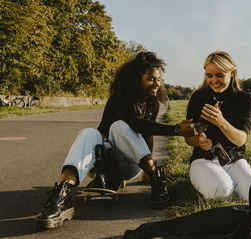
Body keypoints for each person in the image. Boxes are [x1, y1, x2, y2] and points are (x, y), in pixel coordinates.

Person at [35, 52, 200, 229]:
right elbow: (135, 123)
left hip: (130, 163)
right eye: (151, 79)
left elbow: (146, 131)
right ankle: (61, 196)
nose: (157, 84)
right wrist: (175, 129)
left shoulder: (153, 103)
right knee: (88, 133)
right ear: (137, 78)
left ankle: (156, 179)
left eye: (159, 79)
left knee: (119, 127)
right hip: (101, 162)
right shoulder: (118, 99)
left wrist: (147, 169)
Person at [184, 51, 251, 201]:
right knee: (222, 191)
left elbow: (240, 140)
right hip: (203, 159)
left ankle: (242, 177)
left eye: (219, 75)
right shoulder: (198, 97)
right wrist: (198, 140)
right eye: (209, 75)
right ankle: (211, 178)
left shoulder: (244, 98)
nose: (214, 80)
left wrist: (221, 122)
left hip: (234, 159)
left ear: (232, 73)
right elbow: (188, 136)